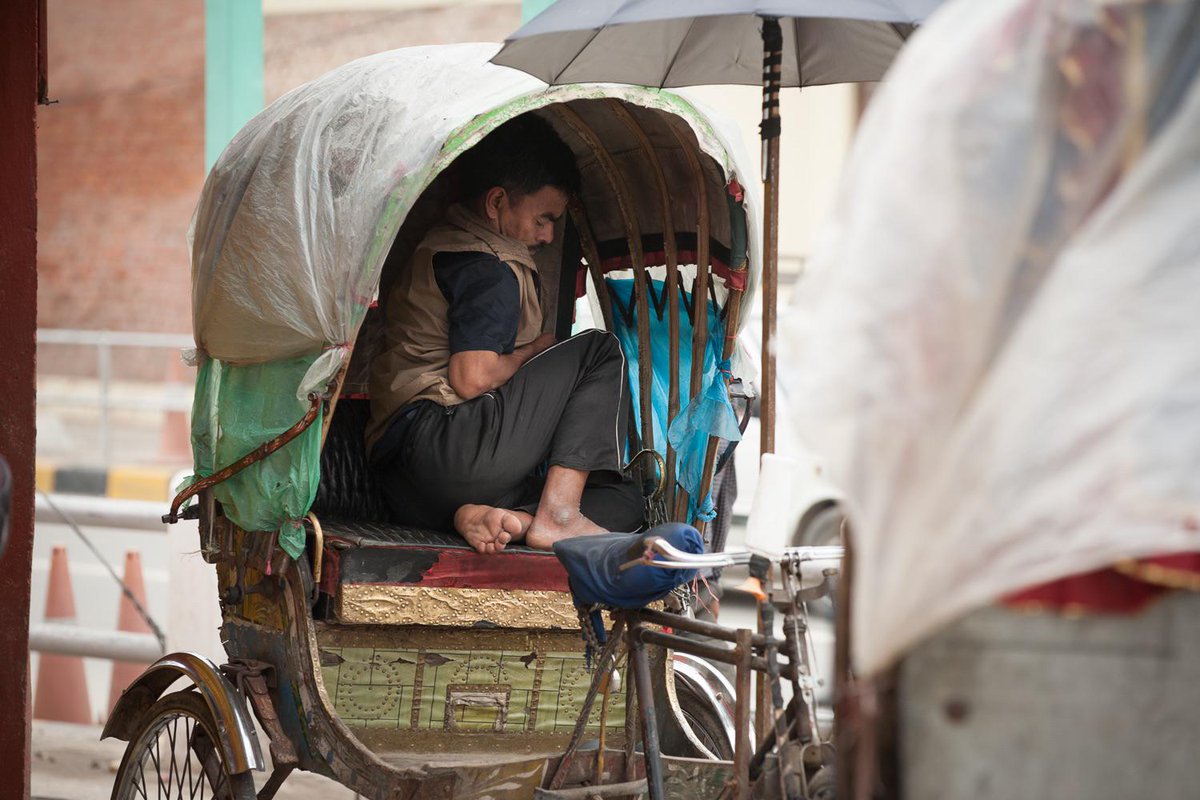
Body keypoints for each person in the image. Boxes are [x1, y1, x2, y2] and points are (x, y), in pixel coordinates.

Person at [366, 114, 645, 555]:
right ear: (497, 202)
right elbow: (471, 378)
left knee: (624, 500)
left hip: (409, 487)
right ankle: (558, 516)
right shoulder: (487, 268)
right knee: (598, 350)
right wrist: (532, 352)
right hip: (443, 443)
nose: (550, 234)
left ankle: (499, 519)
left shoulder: (445, 244)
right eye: (543, 218)